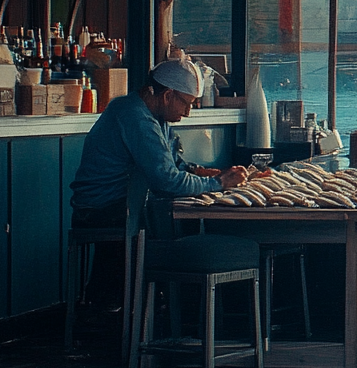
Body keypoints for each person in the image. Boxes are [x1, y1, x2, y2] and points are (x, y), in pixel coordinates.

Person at [68, 59, 248, 307]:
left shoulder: (155, 117)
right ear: (168, 95)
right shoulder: (135, 116)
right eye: (187, 104)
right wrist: (218, 183)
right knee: (166, 221)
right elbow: (167, 181)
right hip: (100, 210)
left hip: (121, 204)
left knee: (164, 216)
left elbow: (175, 164)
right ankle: (147, 307)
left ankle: (146, 305)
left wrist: (204, 172)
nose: (187, 113)